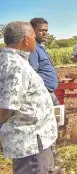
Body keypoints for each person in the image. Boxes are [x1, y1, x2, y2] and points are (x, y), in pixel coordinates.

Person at [0, 21, 58, 174]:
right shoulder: (14, 66)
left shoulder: (17, 61)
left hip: (38, 139)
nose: (35, 40)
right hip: (30, 144)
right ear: (26, 40)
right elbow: (6, 108)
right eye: (33, 36)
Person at [28, 17, 62, 172]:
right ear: (32, 30)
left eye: (46, 30)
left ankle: (52, 157)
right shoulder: (33, 48)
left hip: (51, 92)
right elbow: (32, 72)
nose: (45, 33)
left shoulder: (41, 46)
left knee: (57, 121)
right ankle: (50, 163)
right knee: (49, 126)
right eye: (42, 30)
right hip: (45, 95)